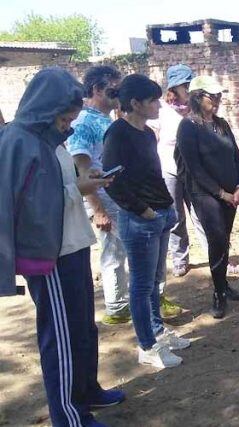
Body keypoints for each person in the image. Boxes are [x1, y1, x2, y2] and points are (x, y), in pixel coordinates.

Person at [0, 67, 123, 427]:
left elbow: (58, 186)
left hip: (74, 244)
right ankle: (68, 416)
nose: (70, 120)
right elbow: (19, 201)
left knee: (83, 326)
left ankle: (87, 391)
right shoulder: (17, 141)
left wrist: (85, 182)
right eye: (65, 113)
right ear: (46, 106)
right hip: (49, 254)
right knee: (60, 336)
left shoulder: (51, 139)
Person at [103, 74, 189, 369]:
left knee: (154, 281)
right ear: (136, 103)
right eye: (153, 100)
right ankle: (147, 346)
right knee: (140, 286)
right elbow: (111, 182)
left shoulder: (146, 133)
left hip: (160, 214)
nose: (158, 104)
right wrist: (143, 211)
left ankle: (158, 331)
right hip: (140, 220)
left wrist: (167, 208)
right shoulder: (117, 133)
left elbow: (154, 174)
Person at [67, 65, 133, 326]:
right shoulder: (84, 122)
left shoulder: (105, 119)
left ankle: (120, 303)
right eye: (112, 89)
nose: (117, 94)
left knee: (119, 251)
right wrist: (97, 209)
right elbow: (79, 167)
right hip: (104, 198)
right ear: (96, 89)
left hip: (115, 195)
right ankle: (117, 306)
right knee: (116, 251)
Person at [175, 76, 239, 318]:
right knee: (216, 240)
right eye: (211, 96)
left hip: (230, 193)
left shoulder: (222, 124)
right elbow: (194, 168)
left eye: (219, 96)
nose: (217, 100)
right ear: (197, 97)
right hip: (205, 194)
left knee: (224, 239)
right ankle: (218, 292)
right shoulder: (188, 126)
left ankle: (224, 283)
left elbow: (236, 157)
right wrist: (221, 193)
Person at [147, 64, 201, 318]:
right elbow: (152, 142)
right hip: (169, 170)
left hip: (193, 170)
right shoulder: (162, 113)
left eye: (190, 85)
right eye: (184, 85)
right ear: (174, 88)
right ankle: (180, 259)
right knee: (176, 217)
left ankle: (217, 255)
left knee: (202, 213)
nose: (188, 90)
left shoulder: (195, 109)